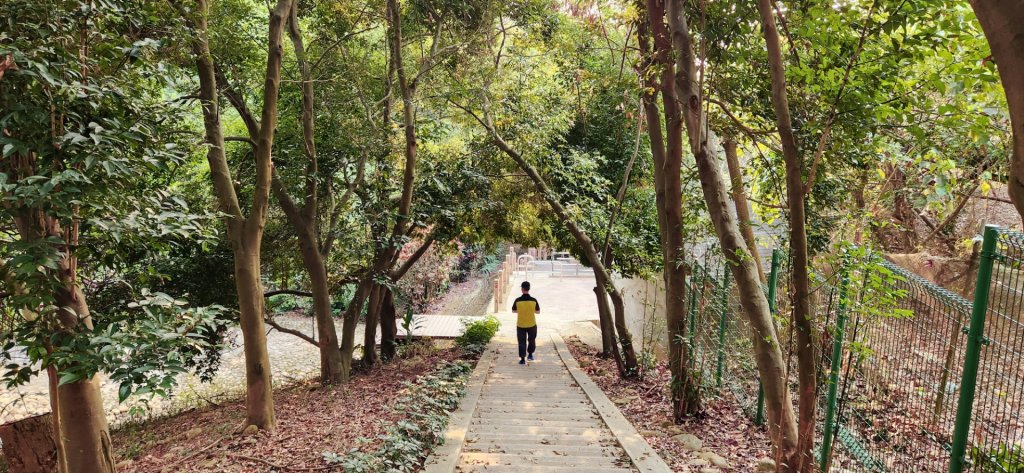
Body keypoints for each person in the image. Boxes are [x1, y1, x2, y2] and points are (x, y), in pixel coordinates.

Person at [511, 281, 540, 365]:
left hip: (521, 324)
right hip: (532, 324)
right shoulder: (534, 300)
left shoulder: (517, 300)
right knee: (531, 340)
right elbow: (538, 312)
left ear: (522, 289)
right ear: (529, 288)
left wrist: (521, 310)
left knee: (521, 342)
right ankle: (530, 355)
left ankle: (522, 359)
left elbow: (513, 310)